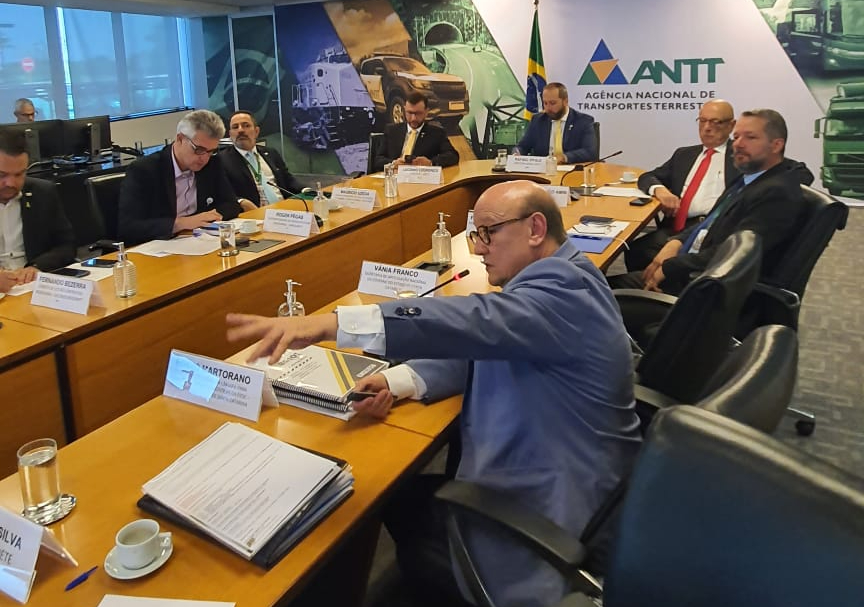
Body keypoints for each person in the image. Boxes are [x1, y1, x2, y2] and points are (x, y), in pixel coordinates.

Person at [226, 180, 641, 607]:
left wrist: (332, 323)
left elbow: (477, 321)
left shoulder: (563, 292)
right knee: (402, 492)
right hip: (561, 471)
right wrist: (397, 381)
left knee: (380, 496)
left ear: (535, 229)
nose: (478, 249)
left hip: (553, 505)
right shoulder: (567, 273)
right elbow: (492, 344)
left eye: (488, 233)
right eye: (475, 234)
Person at [609, 109, 808, 295]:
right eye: (737, 137)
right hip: (695, 249)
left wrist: (669, 268)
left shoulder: (774, 191)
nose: (738, 144)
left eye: (750, 137)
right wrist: (677, 242)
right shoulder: (746, 178)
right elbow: (714, 219)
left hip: (708, 287)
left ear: (776, 145)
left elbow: (734, 254)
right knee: (612, 275)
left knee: (600, 294)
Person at [118, 109, 249, 245]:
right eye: (198, 150)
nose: (204, 158)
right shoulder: (144, 170)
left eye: (211, 151)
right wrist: (180, 223)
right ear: (180, 139)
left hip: (198, 241)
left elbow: (231, 204)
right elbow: (128, 228)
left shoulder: (212, 163)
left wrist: (207, 218)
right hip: (158, 246)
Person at [0, 129, 75, 292]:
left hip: (32, 287)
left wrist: (36, 267)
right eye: (2, 175)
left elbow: (66, 246)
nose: (10, 183)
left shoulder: (43, 192)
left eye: (19, 174)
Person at [220, 111, 303, 206]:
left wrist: (306, 190)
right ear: (230, 134)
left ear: (256, 131)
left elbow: (288, 179)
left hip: (284, 208)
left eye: (246, 126)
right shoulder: (221, 160)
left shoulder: (271, 153)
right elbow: (222, 193)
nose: (240, 130)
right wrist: (241, 201)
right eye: (235, 127)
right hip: (253, 211)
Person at [371, 92, 459, 173]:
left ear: (426, 112)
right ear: (404, 110)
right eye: (410, 113)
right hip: (394, 177)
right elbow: (378, 160)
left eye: (418, 113)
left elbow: (453, 156)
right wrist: (393, 163)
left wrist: (430, 162)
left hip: (420, 179)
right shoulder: (391, 130)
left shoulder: (437, 133)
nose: (413, 118)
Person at [513, 82, 597, 164]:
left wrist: (564, 157)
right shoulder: (538, 120)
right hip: (543, 170)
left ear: (565, 101)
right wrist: (517, 153)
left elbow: (589, 152)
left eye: (552, 103)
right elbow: (522, 146)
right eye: (545, 103)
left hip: (572, 169)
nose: (548, 108)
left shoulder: (583, 121)